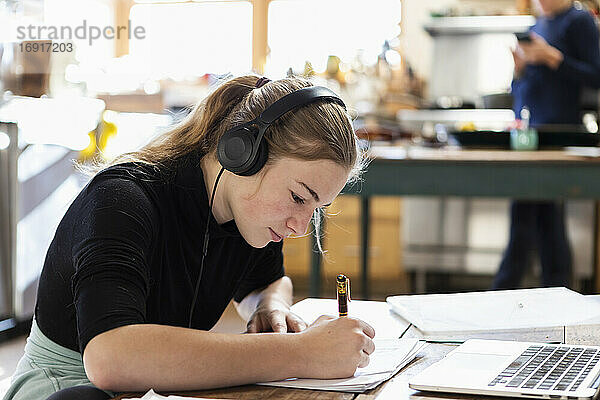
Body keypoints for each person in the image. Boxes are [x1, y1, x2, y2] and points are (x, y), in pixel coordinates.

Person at [3, 75, 375, 400]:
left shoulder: (247, 214)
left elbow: (269, 282)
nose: (299, 227)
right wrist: (301, 352)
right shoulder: (123, 200)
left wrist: (269, 308)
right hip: (69, 389)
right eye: (297, 197)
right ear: (244, 154)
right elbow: (110, 357)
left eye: (316, 207)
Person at [493, 0, 600, 289]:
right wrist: (519, 69)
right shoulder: (536, 25)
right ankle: (555, 289)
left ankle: (504, 289)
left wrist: (553, 58)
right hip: (528, 134)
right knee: (542, 220)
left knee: (528, 219)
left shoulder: (579, 21)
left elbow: (595, 76)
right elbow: (521, 90)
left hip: (558, 135)